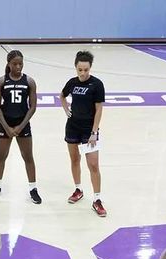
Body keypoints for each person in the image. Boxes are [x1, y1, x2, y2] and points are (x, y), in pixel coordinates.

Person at [0, 49, 40, 204]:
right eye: (15, 64)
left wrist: (20, 126)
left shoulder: (29, 82)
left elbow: (32, 107)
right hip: (5, 124)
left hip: (23, 124)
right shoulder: (1, 82)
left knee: (28, 157)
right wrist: (7, 127)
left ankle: (33, 189)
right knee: (1, 156)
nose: (18, 66)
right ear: (8, 64)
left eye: (20, 64)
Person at [61, 50, 106, 217]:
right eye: (80, 69)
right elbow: (62, 96)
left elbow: (99, 109)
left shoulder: (97, 84)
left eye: (86, 70)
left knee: (93, 165)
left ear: (90, 68)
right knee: (74, 159)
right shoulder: (72, 83)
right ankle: (78, 189)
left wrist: (94, 131)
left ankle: (97, 199)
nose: (83, 73)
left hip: (89, 130)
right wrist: (66, 110)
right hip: (72, 127)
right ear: (76, 67)